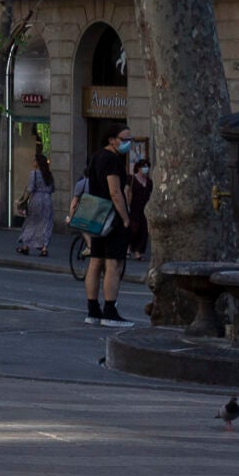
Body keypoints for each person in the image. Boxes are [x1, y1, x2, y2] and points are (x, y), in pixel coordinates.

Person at [83, 125, 136, 328]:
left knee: (95, 262)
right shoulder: (113, 160)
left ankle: (92, 309)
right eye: (124, 139)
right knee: (113, 264)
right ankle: (110, 310)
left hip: (97, 214)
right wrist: (125, 218)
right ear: (112, 139)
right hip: (111, 216)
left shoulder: (96, 156)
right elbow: (115, 192)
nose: (128, 142)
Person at [17, 151, 56, 256]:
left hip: (36, 199)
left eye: (34, 160)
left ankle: (26, 246)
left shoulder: (33, 173)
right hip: (47, 199)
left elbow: (30, 189)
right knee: (46, 223)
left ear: (38, 162)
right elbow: (53, 189)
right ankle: (44, 248)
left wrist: (24, 200)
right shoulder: (49, 174)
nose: (33, 161)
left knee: (31, 222)